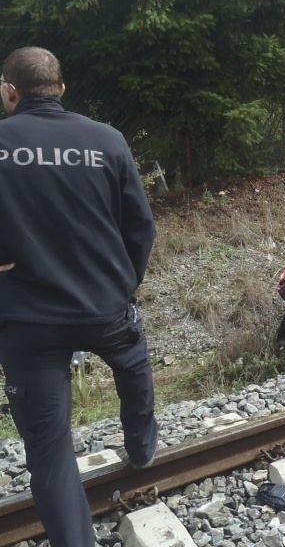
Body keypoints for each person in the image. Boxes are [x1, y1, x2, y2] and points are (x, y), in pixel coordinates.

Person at [0, 47, 158, 547]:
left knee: (48, 451)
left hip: (27, 324)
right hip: (104, 306)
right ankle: (142, 445)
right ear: (61, 88)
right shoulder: (105, 140)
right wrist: (124, 284)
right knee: (133, 363)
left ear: (10, 91)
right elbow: (141, 226)